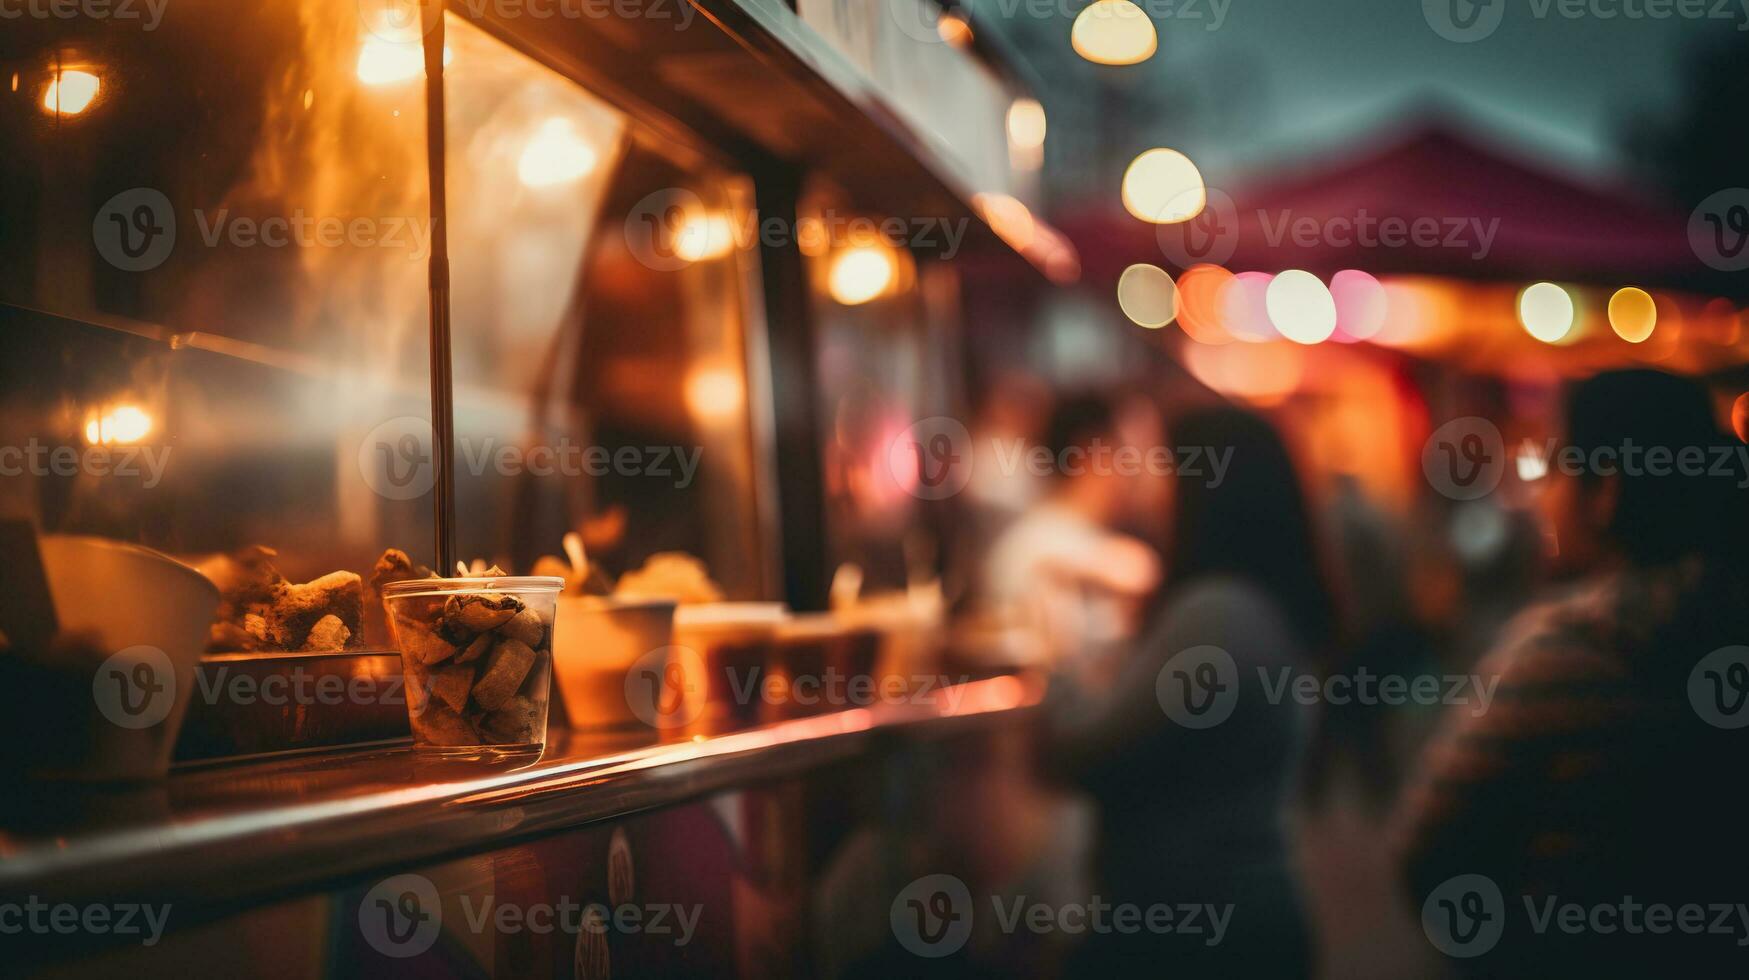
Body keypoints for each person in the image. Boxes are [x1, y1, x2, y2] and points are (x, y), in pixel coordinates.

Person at [1395, 369, 1749, 976]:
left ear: (1605, 492)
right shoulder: (1723, 620)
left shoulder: (1571, 649)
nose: (1544, 496)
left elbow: (1426, 854)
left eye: (1557, 468)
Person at [1046, 405, 1336, 977]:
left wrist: (1050, 669)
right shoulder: (1253, 607)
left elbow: (1082, 750)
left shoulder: (1217, 616)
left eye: (1161, 464)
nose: (1146, 483)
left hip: (1194, 935)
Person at [982, 391, 1162, 668]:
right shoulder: (1037, 544)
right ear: (1093, 453)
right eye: (1132, 452)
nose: (1145, 468)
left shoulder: (1063, 537)